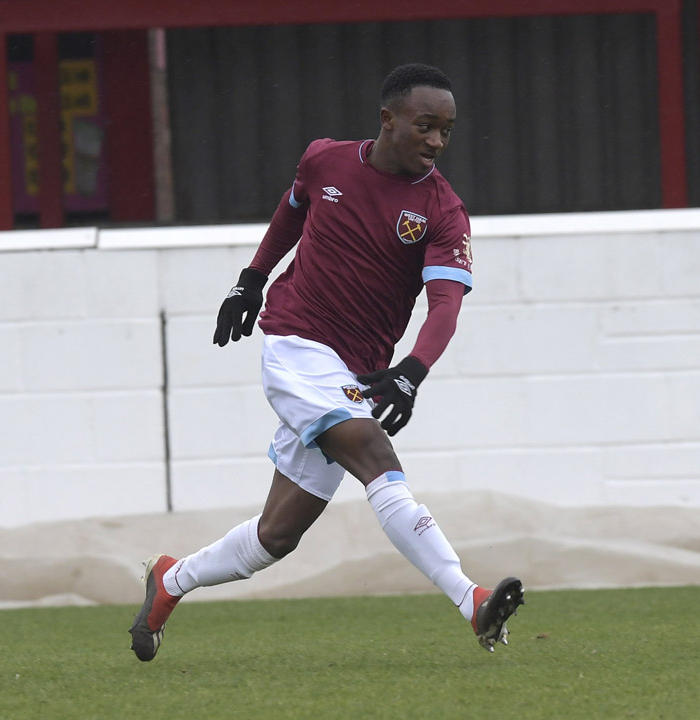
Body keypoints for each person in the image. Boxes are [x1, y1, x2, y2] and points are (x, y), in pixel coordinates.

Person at [129, 63, 523, 662]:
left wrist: (411, 371)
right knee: (376, 456)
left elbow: (445, 303)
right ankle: (472, 600)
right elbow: (292, 210)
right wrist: (250, 281)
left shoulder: (444, 212)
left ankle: (169, 580)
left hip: (356, 375)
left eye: (446, 130)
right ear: (388, 119)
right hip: (297, 344)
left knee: (275, 537)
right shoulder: (325, 160)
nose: (436, 142)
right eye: (424, 126)